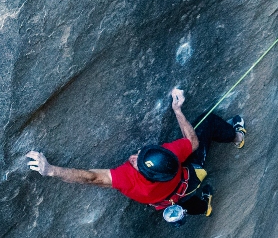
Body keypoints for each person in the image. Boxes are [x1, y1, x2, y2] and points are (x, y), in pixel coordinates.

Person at [25, 88, 245, 219]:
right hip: (185, 180)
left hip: (165, 199)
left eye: (137, 161)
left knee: (176, 202)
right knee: (207, 122)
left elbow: (91, 177)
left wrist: (51, 170)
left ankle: (204, 206)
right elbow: (193, 143)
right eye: (139, 156)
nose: (133, 157)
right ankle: (236, 137)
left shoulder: (129, 181)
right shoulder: (171, 155)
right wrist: (178, 111)